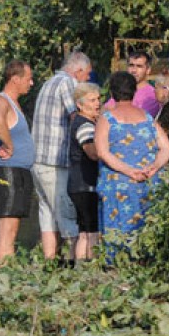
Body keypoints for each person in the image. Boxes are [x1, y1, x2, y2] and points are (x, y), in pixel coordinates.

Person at [95, 72, 169, 262]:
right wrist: (154, 167)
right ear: (133, 91)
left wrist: (128, 171)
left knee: (117, 231)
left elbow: (102, 152)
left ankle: (116, 269)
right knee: (145, 230)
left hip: (118, 184)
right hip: (147, 182)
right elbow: (167, 147)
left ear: (112, 93)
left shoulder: (107, 119)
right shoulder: (147, 118)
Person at [32, 51, 92, 261]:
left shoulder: (49, 82)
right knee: (66, 213)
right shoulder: (67, 83)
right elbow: (76, 114)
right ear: (78, 71)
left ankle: (50, 263)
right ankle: (73, 265)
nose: (88, 80)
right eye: (87, 75)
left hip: (39, 161)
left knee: (47, 215)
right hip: (54, 162)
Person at [0, 59, 35, 268]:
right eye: (29, 79)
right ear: (15, 79)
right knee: (8, 232)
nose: (31, 84)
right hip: (8, 172)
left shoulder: (10, 102)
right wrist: (8, 144)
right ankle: (6, 280)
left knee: (4, 230)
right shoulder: (2, 100)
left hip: (14, 171)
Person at [68, 83, 101, 263]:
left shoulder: (81, 122)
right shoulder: (84, 125)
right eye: (92, 100)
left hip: (77, 184)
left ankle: (80, 270)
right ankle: (91, 267)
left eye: (98, 99)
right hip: (85, 184)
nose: (97, 103)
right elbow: (92, 152)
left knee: (84, 231)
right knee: (91, 232)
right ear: (79, 105)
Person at [105, 51, 160, 117]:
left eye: (139, 66)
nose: (134, 70)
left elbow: (140, 119)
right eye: (131, 65)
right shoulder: (121, 89)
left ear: (148, 70)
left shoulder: (152, 95)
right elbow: (105, 110)